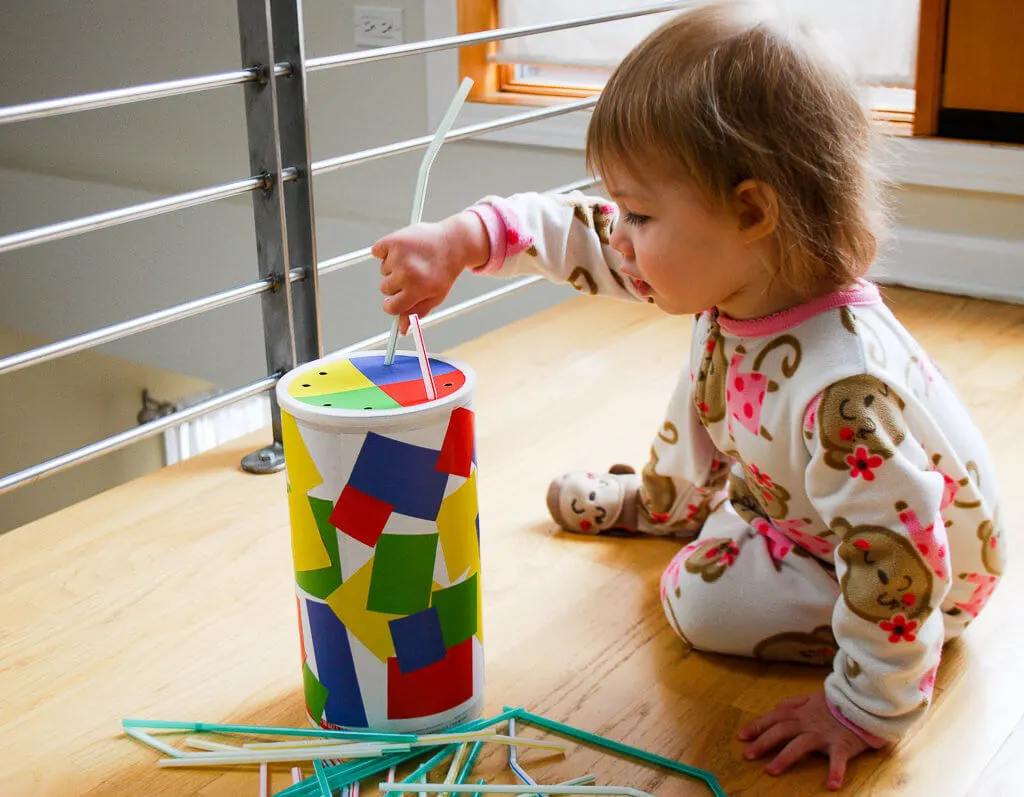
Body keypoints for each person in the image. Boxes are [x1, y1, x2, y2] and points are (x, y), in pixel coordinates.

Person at [372, 1, 1005, 789]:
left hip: (922, 579)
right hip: (806, 498)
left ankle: (723, 526)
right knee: (709, 369)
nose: (621, 234)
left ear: (750, 210)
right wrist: (467, 239)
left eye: (639, 212)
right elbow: (581, 235)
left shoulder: (845, 391)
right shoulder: (744, 272)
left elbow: (899, 564)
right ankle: (669, 502)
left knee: (701, 605)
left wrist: (864, 705)